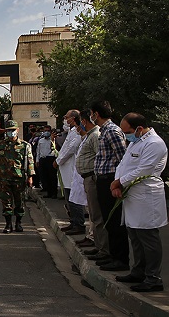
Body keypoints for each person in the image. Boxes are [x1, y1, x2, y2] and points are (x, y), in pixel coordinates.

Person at [112, 113, 167, 292]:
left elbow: (143, 170)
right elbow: (123, 164)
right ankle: (138, 271)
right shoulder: (135, 142)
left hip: (146, 196)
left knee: (148, 239)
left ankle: (153, 278)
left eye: (127, 131)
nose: (125, 135)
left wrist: (120, 182)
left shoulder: (155, 144)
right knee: (135, 236)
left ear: (139, 129)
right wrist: (117, 182)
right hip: (131, 195)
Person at [90, 100, 129, 272]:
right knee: (107, 219)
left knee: (114, 221)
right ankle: (113, 256)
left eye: (92, 113)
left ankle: (121, 259)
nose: (91, 116)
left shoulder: (112, 131)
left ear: (96, 114)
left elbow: (123, 158)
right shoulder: (104, 131)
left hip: (110, 180)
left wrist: (118, 182)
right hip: (103, 179)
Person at [0, 120, 34, 233]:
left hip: (19, 178)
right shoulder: (1, 143)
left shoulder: (24, 145)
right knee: (6, 203)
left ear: (17, 130)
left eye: (13, 130)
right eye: (9, 130)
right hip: (4, 179)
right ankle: (8, 224)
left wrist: (30, 177)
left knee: (19, 202)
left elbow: (30, 162)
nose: (11, 132)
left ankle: (18, 223)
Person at [75, 110, 110, 260]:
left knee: (97, 216)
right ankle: (98, 245)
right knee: (94, 215)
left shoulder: (95, 135)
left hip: (93, 178)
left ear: (84, 121)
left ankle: (103, 249)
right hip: (88, 178)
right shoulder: (90, 135)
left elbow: (99, 157)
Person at [55, 110, 83, 234]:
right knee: (68, 198)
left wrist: (59, 160)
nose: (65, 120)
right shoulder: (70, 132)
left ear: (73, 118)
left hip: (72, 170)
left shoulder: (78, 132)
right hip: (66, 171)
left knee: (74, 199)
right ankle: (73, 222)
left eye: (66, 117)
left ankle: (78, 224)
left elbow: (71, 148)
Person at [36, 126, 57, 198]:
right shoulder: (41, 140)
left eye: (48, 131)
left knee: (52, 177)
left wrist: (52, 139)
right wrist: (37, 160)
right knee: (44, 177)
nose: (46, 132)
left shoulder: (53, 140)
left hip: (51, 158)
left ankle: (54, 193)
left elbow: (53, 148)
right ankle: (48, 192)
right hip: (43, 159)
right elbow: (38, 151)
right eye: (45, 131)